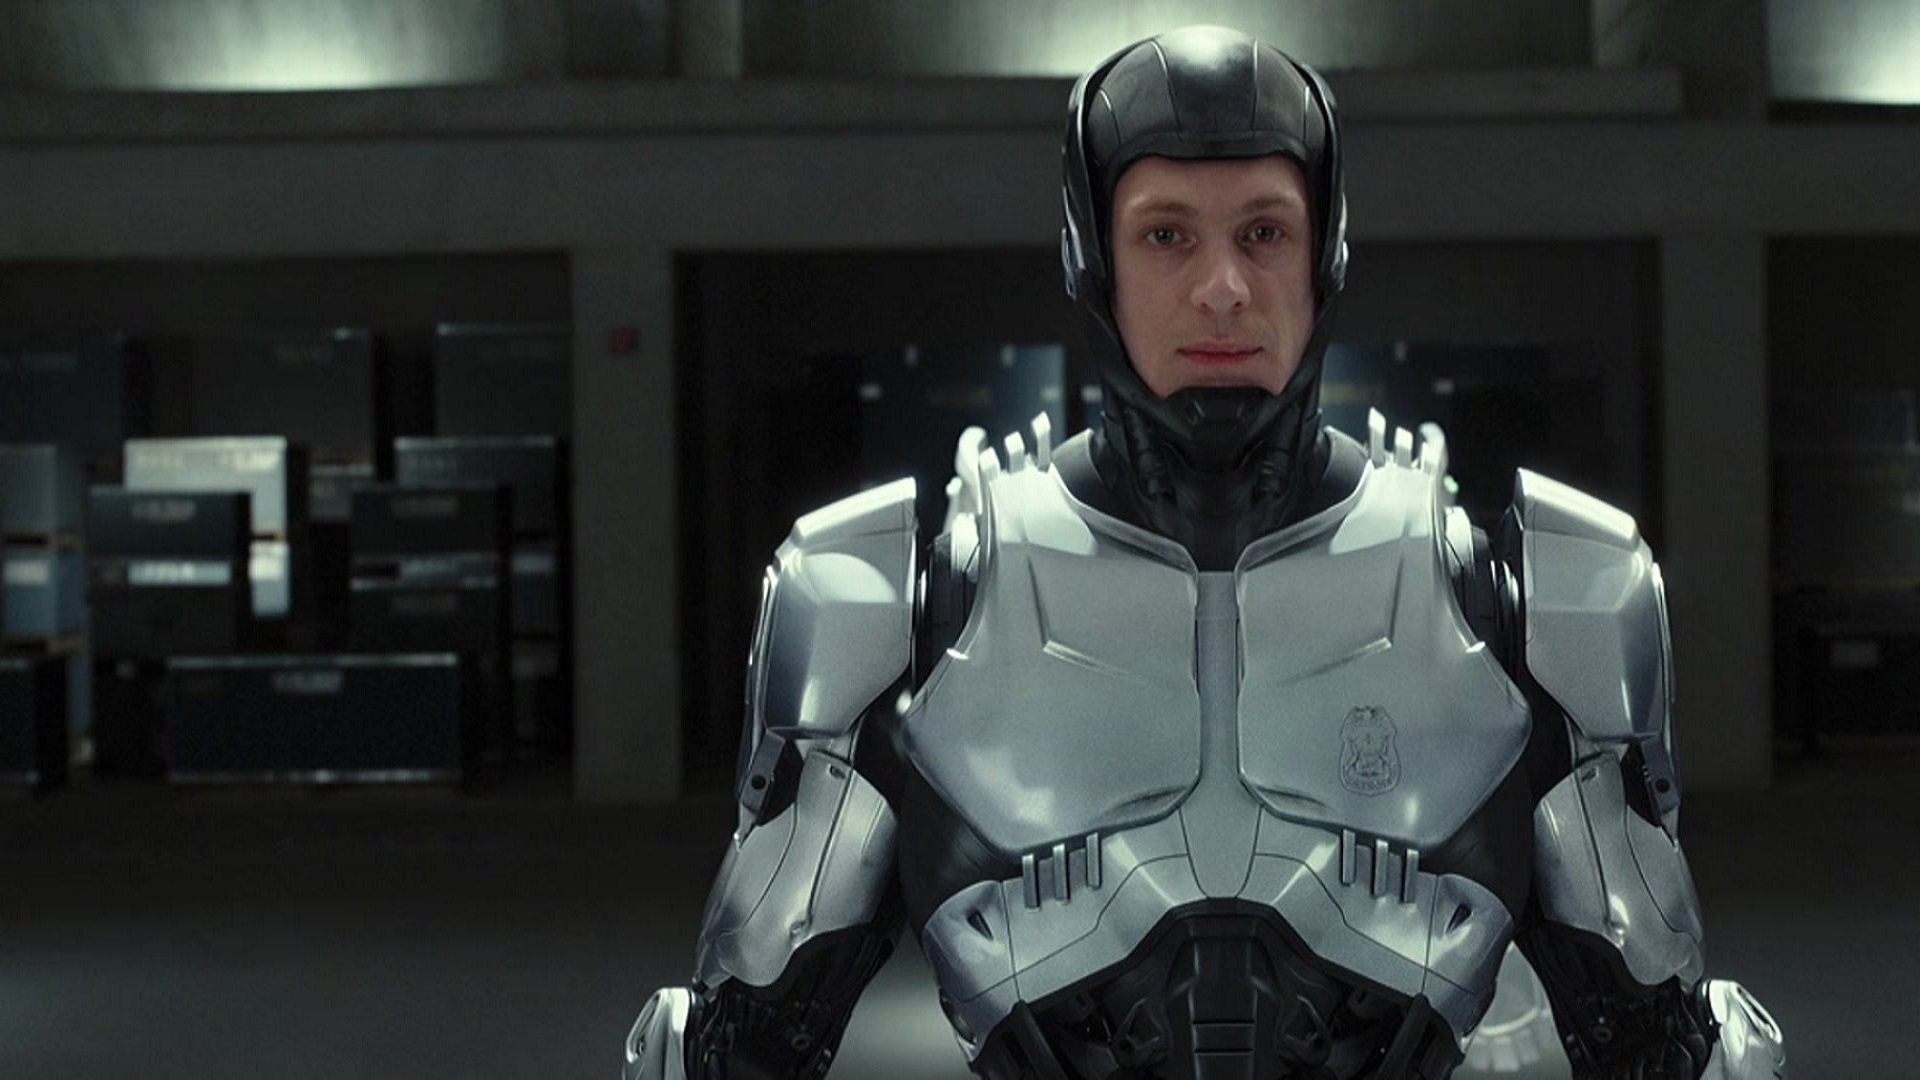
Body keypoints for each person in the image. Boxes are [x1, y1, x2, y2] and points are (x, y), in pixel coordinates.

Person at [622, 25, 1786, 1079]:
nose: (1223, 288)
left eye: (1264, 233)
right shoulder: (897, 603)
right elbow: (742, 1045)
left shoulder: (1531, 601)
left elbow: (1663, 1045)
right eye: (1166, 234)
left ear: (1324, 253)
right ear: (1094, 257)